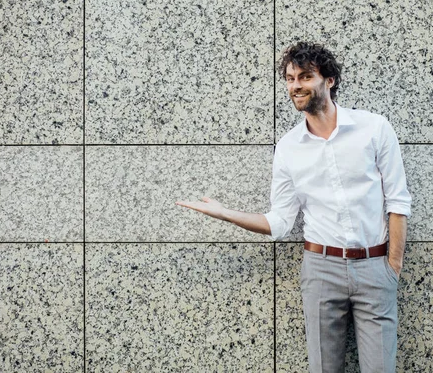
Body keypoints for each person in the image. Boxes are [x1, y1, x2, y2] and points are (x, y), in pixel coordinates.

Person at [176, 42, 411, 373]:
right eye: (289, 78)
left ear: (328, 80)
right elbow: (280, 221)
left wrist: (393, 267)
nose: (295, 85)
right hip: (320, 270)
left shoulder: (374, 129)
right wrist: (226, 213)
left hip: (375, 267)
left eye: (304, 76)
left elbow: (398, 201)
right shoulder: (288, 148)